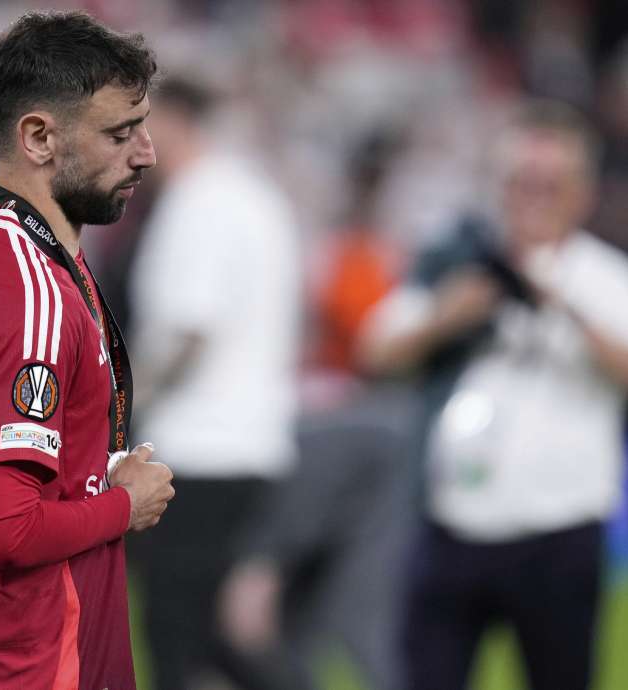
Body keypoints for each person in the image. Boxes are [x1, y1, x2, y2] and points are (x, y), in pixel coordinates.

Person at [0, 11, 174, 689]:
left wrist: (94, 468)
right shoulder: (33, 298)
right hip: (24, 668)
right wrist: (124, 504)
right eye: (120, 132)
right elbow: (3, 531)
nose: (145, 152)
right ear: (39, 137)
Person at [359, 100, 628, 690]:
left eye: (548, 185)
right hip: (452, 521)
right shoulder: (459, 263)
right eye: (517, 183)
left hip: (559, 528)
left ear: (582, 194)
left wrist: (558, 300)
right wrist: (446, 317)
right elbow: (375, 351)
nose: (530, 198)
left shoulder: (605, 278)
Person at [126, 77, 301, 689]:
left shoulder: (198, 202)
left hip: (200, 450)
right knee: (227, 634)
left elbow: (187, 334)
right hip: (255, 444)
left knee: (179, 638)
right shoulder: (254, 196)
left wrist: (119, 404)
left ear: (169, 122)